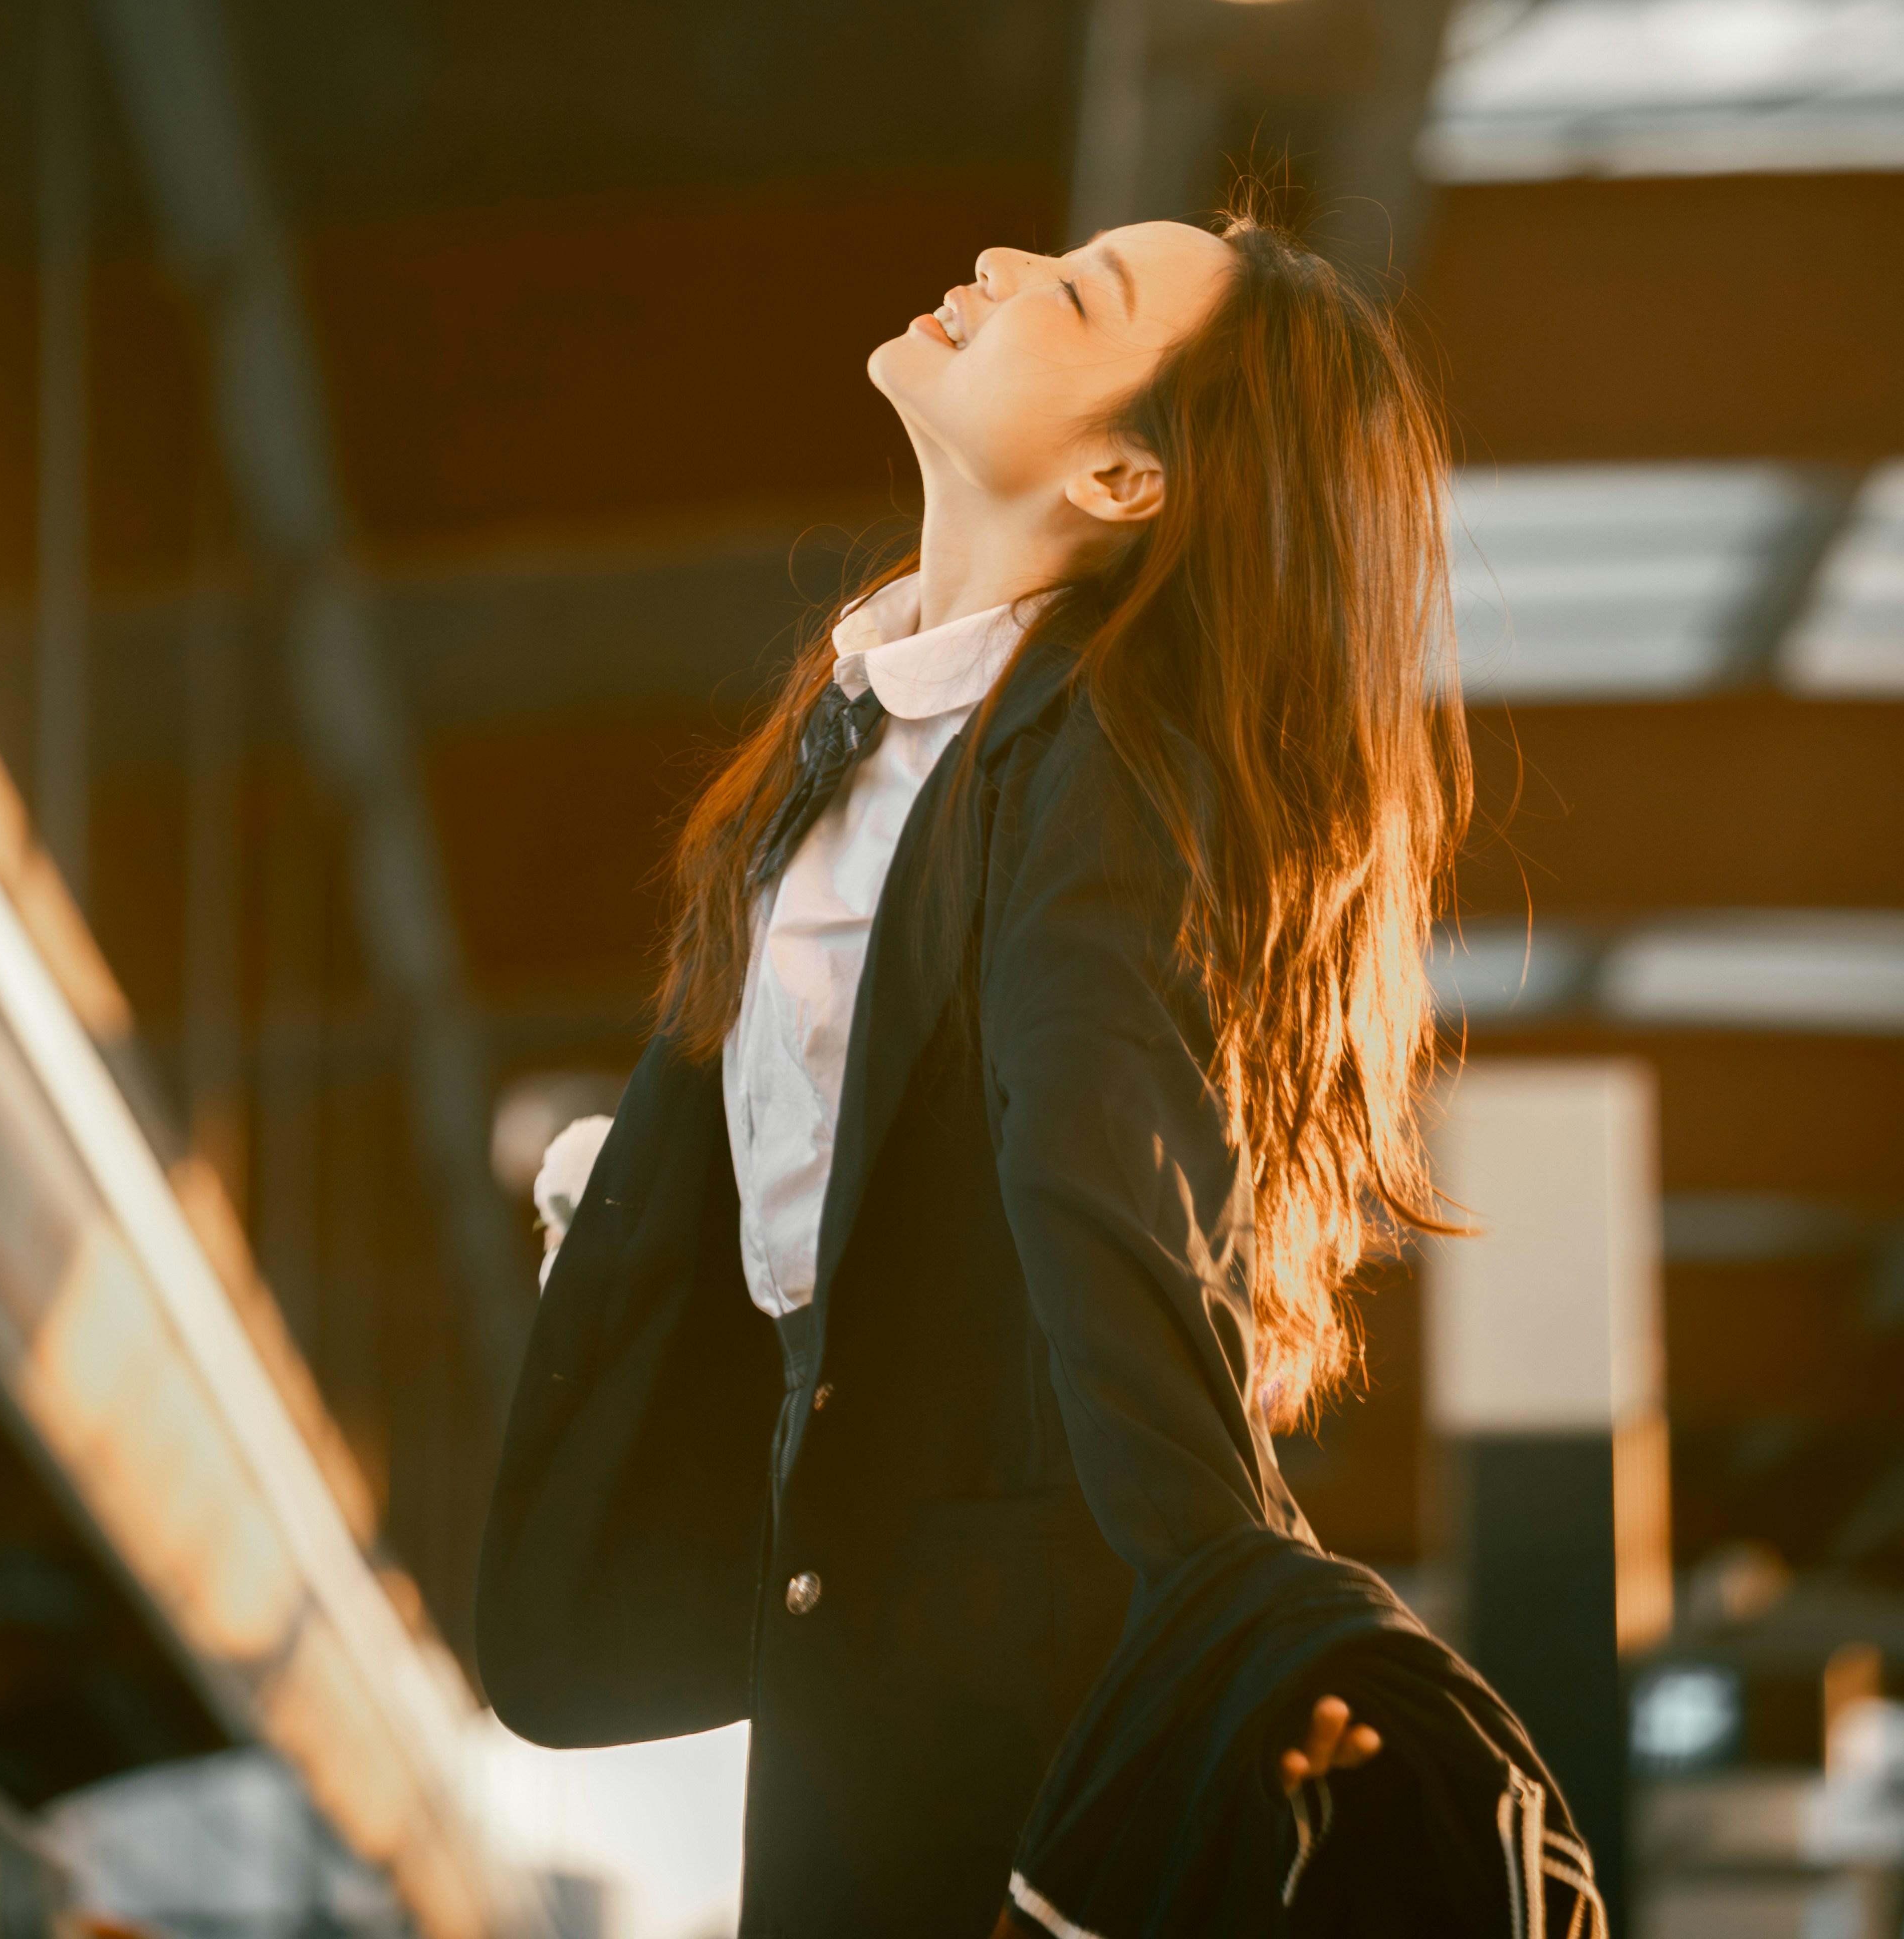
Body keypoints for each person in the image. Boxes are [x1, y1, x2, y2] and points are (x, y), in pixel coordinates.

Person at [478, 209, 1603, 1939]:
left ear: (1126, 481)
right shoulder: (868, 734)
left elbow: (1107, 1174)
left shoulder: (1102, 760)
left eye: (1077, 294)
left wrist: (1229, 1600)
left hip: (1004, 1675)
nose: (1003, 262)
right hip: (873, 1643)